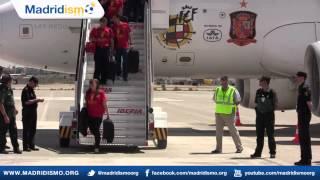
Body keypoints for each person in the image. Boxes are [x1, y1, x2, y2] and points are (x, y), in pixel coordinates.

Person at [212, 76, 243, 154]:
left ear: (227, 81)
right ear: (220, 81)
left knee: (233, 131)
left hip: (229, 113)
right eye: (222, 80)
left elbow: (238, 100)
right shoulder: (218, 89)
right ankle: (218, 149)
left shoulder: (233, 90)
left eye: (224, 80)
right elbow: (215, 99)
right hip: (219, 113)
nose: (223, 82)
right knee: (218, 132)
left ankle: (239, 147)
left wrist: (232, 107)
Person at [251, 76, 278, 159]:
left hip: (269, 116)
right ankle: (258, 153)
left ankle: (272, 152)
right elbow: (256, 103)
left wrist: (268, 111)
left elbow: (275, 105)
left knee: (270, 135)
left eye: (261, 81)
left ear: (265, 82)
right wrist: (258, 111)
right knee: (259, 136)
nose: (259, 82)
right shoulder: (258, 91)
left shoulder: (272, 92)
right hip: (259, 116)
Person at [85, 79, 109, 153]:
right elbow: (86, 103)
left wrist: (107, 114)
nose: (91, 84)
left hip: (98, 115)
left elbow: (104, 103)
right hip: (89, 114)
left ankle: (97, 146)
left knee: (96, 129)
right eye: (91, 83)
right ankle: (97, 142)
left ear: (97, 84)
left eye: (93, 83)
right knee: (92, 130)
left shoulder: (101, 93)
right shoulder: (88, 92)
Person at [21, 77, 44, 152]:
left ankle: (31, 145)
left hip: (33, 112)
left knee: (33, 129)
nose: (35, 86)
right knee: (26, 130)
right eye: (35, 84)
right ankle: (26, 146)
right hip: (27, 112)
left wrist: (36, 101)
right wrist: (36, 100)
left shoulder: (31, 90)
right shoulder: (26, 90)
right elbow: (26, 102)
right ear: (31, 82)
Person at [0, 75, 21, 154]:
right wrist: (5, 116)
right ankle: (1, 148)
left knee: (14, 131)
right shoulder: (2, 89)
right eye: (11, 80)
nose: (12, 82)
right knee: (2, 132)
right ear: (8, 81)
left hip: (11, 114)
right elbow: (1, 104)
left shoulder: (9, 89)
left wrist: (14, 109)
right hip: (5, 114)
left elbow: (11, 100)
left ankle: (16, 148)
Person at [294, 71, 312, 166]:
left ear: (302, 77)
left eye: (297, 77)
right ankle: (303, 159)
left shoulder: (305, 88)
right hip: (301, 115)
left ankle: (307, 160)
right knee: (302, 137)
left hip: (305, 115)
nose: (296, 78)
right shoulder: (301, 87)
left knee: (305, 138)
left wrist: (309, 113)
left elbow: (309, 102)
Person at [89, 17, 114, 85]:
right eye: (101, 22)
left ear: (106, 23)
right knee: (97, 65)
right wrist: (98, 40)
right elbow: (91, 38)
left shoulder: (109, 30)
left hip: (106, 49)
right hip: (98, 49)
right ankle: (95, 81)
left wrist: (112, 50)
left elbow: (111, 41)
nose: (102, 24)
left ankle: (104, 80)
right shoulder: (95, 29)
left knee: (105, 65)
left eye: (104, 23)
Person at [112, 14, 132, 81]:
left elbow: (129, 34)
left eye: (114, 18)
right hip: (117, 46)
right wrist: (113, 48)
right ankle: (118, 74)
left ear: (118, 18)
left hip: (125, 46)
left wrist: (131, 43)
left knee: (125, 61)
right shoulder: (114, 26)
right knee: (118, 61)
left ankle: (125, 76)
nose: (113, 20)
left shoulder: (125, 25)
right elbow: (113, 38)